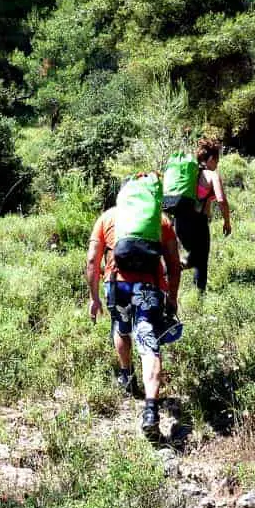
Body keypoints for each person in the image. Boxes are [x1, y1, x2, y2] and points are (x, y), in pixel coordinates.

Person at [86, 196, 182, 436]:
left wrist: (94, 297)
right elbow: (173, 262)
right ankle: (151, 409)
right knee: (148, 341)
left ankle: (127, 376)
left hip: (117, 285)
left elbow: (91, 260)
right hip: (150, 287)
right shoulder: (159, 220)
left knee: (121, 326)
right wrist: (172, 296)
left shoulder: (108, 217)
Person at [172, 138, 232, 293]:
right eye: (217, 161)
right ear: (211, 159)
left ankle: (179, 270)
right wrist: (226, 222)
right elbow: (221, 200)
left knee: (196, 256)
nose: (217, 165)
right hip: (197, 224)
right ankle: (198, 293)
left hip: (179, 221)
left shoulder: (189, 174)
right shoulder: (211, 175)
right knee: (201, 259)